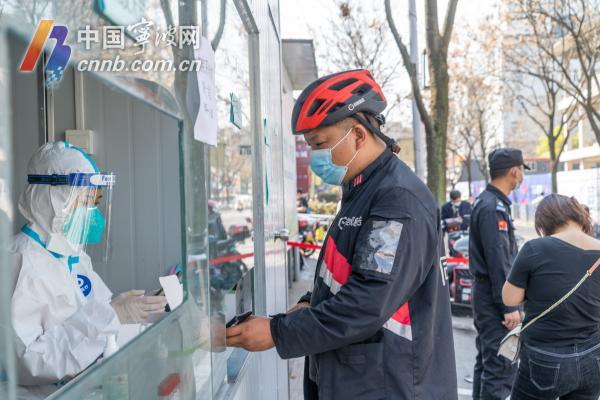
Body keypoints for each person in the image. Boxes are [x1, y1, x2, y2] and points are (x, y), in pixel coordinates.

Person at [226, 69, 457, 399]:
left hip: (390, 383)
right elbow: (351, 271)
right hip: (358, 377)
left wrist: (278, 333)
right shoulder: (363, 188)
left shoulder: (397, 200)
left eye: (320, 144)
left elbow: (368, 301)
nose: (315, 156)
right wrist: (310, 304)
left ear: (359, 136)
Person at [11, 141, 166, 398]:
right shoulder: (20, 261)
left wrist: (137, 317)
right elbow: (26, 362)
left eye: (96, 201)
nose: (93, 213)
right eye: (85, 202)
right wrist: (111, 316)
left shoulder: (72, 257)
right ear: (52, 199)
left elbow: (102, 322)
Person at [503, 194, 600, 400]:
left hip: (545, 358)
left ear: (544, 222)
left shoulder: (534, 249)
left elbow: (510, 299)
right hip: (594, 355)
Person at [469, 148, 529, 400]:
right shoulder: (493, 208)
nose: (521, 176)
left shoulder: (488, 202)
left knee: (487, 363)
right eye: (522, 170)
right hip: (496, 300)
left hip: (486, 296)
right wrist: (508, 306)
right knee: (501, 367)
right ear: (514, 171)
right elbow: (498, 262)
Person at [441, 190, 472, 256]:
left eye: (458, 200)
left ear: (460, 198)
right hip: (452, 233)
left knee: (466, 250)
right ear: (451, 199)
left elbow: (471, 217)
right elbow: (443, 221)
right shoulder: (445, 207)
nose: (456, 202)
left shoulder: (467, 205)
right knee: (453, 250)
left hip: (465, 232)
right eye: (454, 201)